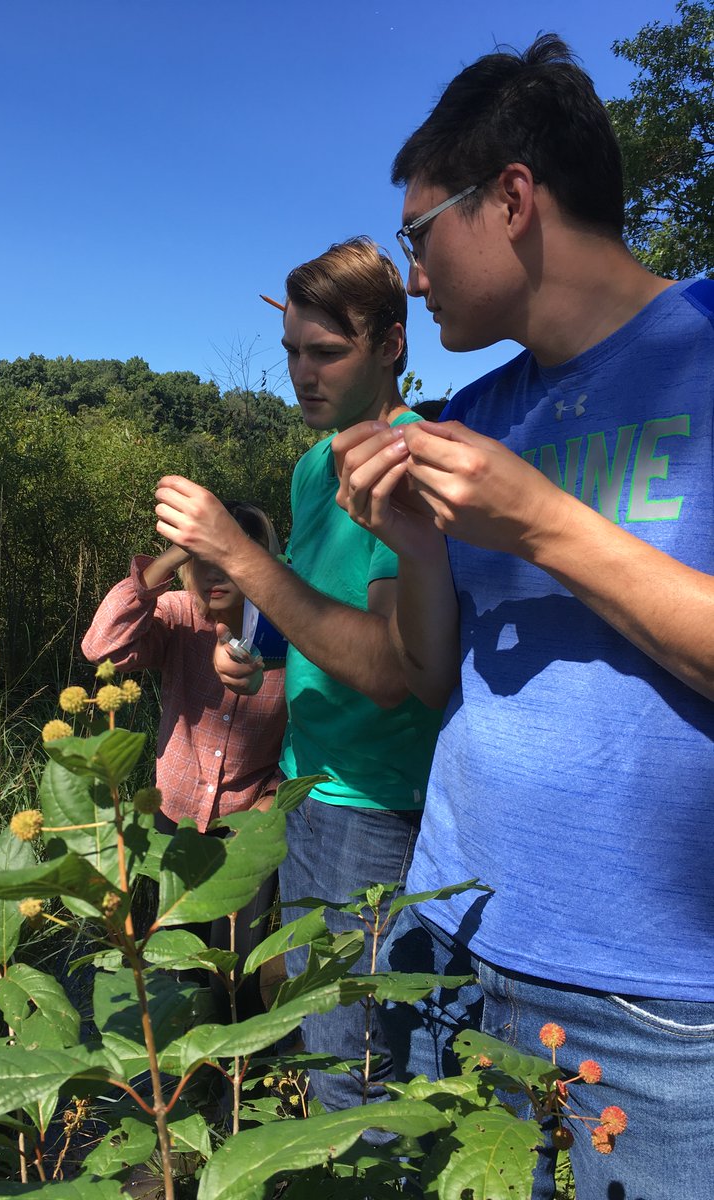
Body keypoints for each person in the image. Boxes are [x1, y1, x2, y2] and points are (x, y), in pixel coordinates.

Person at [332, 35, 714, 1198]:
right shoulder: (480, 410)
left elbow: (548, 537)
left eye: (419, 234)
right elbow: (438, 669)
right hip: (445, 940)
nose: (409, 273)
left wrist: (542, 522)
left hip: (653, 1006)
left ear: (510, 199)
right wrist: (413, 543)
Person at [152, 237, 444, 1120]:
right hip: (304, 782)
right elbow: (311, 600)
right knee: (318, 1029)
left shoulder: (411, 461)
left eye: (327, 352)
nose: (300, 373)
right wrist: (258, 653)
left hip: (379, 805)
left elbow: (395, 669)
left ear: (391, 346)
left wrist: (234, 550)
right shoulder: (315, 467)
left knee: (355, 1066)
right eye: (292, 350)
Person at [81, 500, 287, 1019]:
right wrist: (173, 554)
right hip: (176, 816)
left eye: (232, 557)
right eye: (203, 559)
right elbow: (101, 646)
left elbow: (312, 725)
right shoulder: (178, 614)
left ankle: (236, 1081)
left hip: (248, 823)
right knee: (180, 959)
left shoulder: (286, 629)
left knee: (235, 965)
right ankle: (188, 1075)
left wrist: (271, 800)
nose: (215, 573)